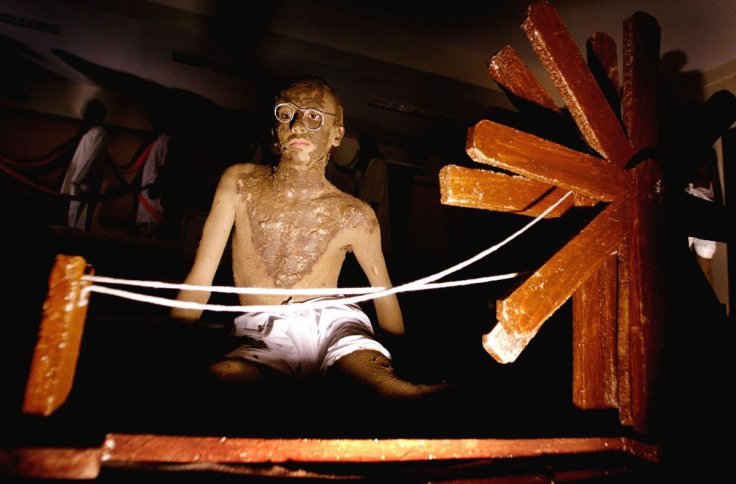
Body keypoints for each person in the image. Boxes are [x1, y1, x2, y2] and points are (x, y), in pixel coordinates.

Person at [171, 77, 443, 400]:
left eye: (314, 116)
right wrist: (172, 351)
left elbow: (384, 295)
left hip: (335, 325)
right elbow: (201, 279)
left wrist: (400, 364)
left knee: (380, 384)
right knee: (221, 379)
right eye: (287, 113)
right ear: (275, 129)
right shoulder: (239, 183)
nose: (299, 124)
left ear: (337, 134)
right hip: (263, 331)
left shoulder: (355, 214)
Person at [60, 99, 109, 230]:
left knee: (78, 212)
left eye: (88, 112)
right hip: (79, 179)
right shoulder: (90, 131)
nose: (85, 114)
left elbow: (90, 158)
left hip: (83, 182)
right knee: (73, 210)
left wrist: (78, 179)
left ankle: (75, 239)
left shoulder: (100, 132)